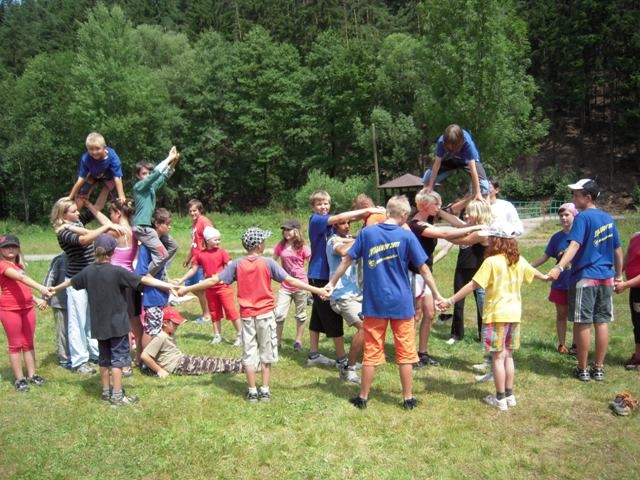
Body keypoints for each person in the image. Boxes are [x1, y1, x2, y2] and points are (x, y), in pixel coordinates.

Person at [177, 227, 329, 403]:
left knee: (249, 353)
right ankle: (264, 390)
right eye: (263, 241)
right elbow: (291, 280)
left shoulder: (237, 264)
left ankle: (251, 391)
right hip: (265, 315)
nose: (265, 243)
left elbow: (213, 280)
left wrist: (187, 288)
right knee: (266, 352)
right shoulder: (268, 263)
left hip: (247, 317)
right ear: (258, 246)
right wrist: (317, 290)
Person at [327, 195, 444, 410]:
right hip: (401, 302)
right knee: (406, 351)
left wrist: (332, 283)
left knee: (372, 350)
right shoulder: (407, 236)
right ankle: (408, 398)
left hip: (375, 302)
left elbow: (347, 259)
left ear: (387, 211)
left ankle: (363, 397)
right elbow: (424, 268)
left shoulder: (368, 233)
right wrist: (437, 295)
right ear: (404, 215)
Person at [437, 221, 548, 410]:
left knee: (497, 357)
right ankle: (510, 395)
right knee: (508, 355)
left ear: (496, 240)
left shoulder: (491, 262)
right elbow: (534, 273)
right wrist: (546, 277)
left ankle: (500, 398)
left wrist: (450, 300)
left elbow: (473, 285)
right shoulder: (518, 260)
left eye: (490, 237)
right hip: (514, 315)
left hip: (496, 315)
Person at [54, 234, 175, 407]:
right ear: (113, 252)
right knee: (119, 359)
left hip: (99, 325)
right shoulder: (117, 272)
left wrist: (53, 289)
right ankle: (117, 396)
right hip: (117, 325)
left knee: (104, 359)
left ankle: (106, 391)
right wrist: (168, 285)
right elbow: (143, 279)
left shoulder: (88, 271)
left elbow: (71, 282)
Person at [547, 179, 623, 382]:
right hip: (606, 278)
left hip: (585, 277)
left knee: (583, 323)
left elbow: (574, 245)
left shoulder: (582, 218)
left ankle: (582, 368)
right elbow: (617, 249)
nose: (573, 198)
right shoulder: (608, 218)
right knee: (602, 322)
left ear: (588, 197)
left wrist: (559, 267)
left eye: (576, 195)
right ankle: (599, 368)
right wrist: (618, 275)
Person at [306, 190, 386, 368]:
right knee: (332, 318)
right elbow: (342, 218)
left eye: (326, 203)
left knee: (317, 316)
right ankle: (342, 360)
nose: (323, 207)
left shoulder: (329, 224)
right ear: (313, 207)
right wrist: (370, 210)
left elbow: (346, 220)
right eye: (319, 204)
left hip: (324, 274)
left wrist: (365, 215)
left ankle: (313, 354)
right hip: (321, 275)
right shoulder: (316, 219)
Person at [409, 190, 485, 367]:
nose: (439, 207)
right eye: (436, 204)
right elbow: (443, 234)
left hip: (426, 273)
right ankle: (409, 355)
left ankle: (423, 353)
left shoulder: (429, 217)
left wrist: (472, 196)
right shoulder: (416, 225)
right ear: (423, 206)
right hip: (414, 273)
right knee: (417, 314)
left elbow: (453, 217)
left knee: (430, 313)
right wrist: (474, 228)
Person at [51, 196, 123, 374]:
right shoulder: (62, 232)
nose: (78, 212)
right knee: (78, 320)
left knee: (92, 317)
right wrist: (106, 227)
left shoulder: (76, 223)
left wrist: (106, 187)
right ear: (63, 214)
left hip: (91, 277)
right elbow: (84, 240)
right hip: (77, 280)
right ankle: (79, 361)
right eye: (73, 211)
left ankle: (94, 352)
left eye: (77, 210)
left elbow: (96, 206)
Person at [174, 226, 241, 345]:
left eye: (219, 239)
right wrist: (181, 280)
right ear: (207, 240)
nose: (218, 242)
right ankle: (217, 335)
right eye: (216, 240)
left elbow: (230, 266)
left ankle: (240, 335)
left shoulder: (222, 252)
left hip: (223, 288)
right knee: (214, 313)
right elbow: (193, 269)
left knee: (231, 311)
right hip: (210, 289)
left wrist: (231, 274)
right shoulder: (200, 255)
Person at [0, 234, 51, 392]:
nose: (10, 249)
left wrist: (36, 300)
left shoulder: (19, 266)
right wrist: (42, 288)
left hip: (27, 307)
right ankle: (20, 379)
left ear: (18, 249)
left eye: (14, 246)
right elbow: (21, 279)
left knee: (28, 343)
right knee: (15, 344)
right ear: (0, 250)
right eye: (6, 246)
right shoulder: (3, 265)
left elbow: (23, 288)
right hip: (10, 309)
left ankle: (32, 375)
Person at [530, 203, 579, 354]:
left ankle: (576, 345)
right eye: (561, 215)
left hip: (578, 282)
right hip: (560, 283)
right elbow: (545, 256)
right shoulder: (556, 237)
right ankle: (562, 344)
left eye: (567, 215)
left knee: (578, 317)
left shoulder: (581, 235)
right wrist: (527, 266)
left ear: (575, 216)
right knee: (561, 315)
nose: (563, 218)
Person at [140, 306, 244, 377]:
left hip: (181, 360)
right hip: (178, 366)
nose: (177, 326)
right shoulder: (161, 337)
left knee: (210, 361)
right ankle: (243, 367)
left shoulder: (169, 333)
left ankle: (242, 363)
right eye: (175, 324)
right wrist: (160, 370)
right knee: (211, 366)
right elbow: (145, 356)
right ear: (165, 323)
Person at [132, 146, 180, 277]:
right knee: (162, 254)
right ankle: (146, 277)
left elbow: (164, 176)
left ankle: (162, 271)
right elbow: (156, 174)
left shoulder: (151, 188)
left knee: (173, 246)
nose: (147, 176)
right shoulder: (139, 187)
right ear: (137, 176)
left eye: (148, 173)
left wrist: (174, 161)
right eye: (144, 174)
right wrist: (169, 157)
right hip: (142, 228)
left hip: (149, 228)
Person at [106, 198, 142, 373]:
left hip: (117, 281)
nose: (109, 217)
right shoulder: (134, 230)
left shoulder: (114, 232)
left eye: (111, 213)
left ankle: (125, 362)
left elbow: (91, 238)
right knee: (135, 321)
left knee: (122, 323)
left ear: (118, 213)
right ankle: (140, 355)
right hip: (131, 279)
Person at [326, 219, 363, 384]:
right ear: (335, 225)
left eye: (348, 223)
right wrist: (360, 238)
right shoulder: (332, 240)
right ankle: (349, 368)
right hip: (341, 295)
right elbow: (342, 251)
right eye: (342, 223)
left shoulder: (349, 238)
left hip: (355, 293)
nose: (347, 226)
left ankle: (371, 358)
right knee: (364, 328)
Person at [135, 208, 176, 357]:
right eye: (167, 224)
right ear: (157, 224)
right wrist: (163, 285)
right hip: (152, 295)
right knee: (151, 328)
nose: (169, 227)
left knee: (158, 326)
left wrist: (168, 282)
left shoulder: (159, 245)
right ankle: (145, 359)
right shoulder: (146, 247)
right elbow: (141, 273)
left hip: (161, 294)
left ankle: (156, 356)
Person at [422, 124, 490, 200]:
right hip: (452, 159)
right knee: (427, 178)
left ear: (460, 142)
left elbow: (473, 168)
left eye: (454, 146)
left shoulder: (467, 143)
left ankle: (483, 204)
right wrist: (430, 186)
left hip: (467, 161)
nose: (451, 148)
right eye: (448, 146)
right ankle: (426, 202)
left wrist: (478, 192)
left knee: (484, 186)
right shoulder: (441, 141)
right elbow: (437, 164)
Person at [273, 219, 311, 351]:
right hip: (285, 285)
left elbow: (311, 262)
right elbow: (273, 261)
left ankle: (298, 341)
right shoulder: (281, 245)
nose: (286, 232)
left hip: (301, 284)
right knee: (279, 314)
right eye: (284, 230)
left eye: (289, 229)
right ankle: (277, 342)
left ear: (296, 231)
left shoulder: (303, 246)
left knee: (301, 315)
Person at [68, 132, 126, 211]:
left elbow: (117, 178)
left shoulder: (113, 156)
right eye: (91, 149)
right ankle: (75, 214)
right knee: (81, 193)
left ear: (104, 147)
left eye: (97, 149)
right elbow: (81, 179)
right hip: (93, 175)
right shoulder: (86, 158)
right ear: (87, 149)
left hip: (108, 176)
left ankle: (122, 214)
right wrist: (70, 196)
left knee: (118, 196)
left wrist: (122, 196)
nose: (94, 152)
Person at [182, 199, 214, 324]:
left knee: (200, 289)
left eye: (194, 210)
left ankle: (206, 315)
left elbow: (212, 237)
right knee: (190, 286)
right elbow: (194, 243)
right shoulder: (195, 223)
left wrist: (209, 256)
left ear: (200, 210)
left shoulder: (204, 221)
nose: (192, 213)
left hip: (202, 262)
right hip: (195, 261)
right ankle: (209, 309)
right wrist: (188, 258)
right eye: (190, 211)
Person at [614, 230, 640, 369]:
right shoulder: (635, 236)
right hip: (636, 290)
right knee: (637, 322)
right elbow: (627, 259)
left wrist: (625, 285)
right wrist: (617, 275)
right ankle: (638, 356)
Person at [42, 253, 71, 369]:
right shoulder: (60, 259)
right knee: (63, 331)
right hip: (61, 302)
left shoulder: (84, 257)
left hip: (79, 302)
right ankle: (64, 358)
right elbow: (50, 278)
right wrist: (44, 298)